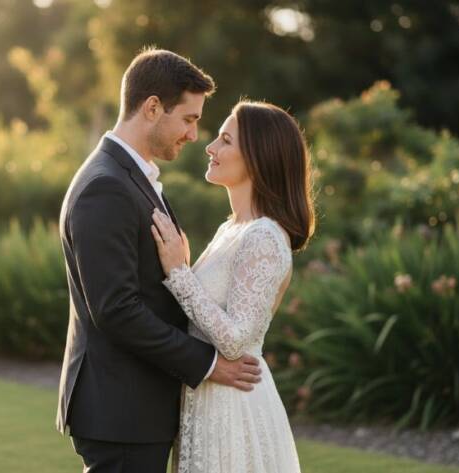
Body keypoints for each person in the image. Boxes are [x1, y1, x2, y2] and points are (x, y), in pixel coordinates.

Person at [56, 48, 263, 473]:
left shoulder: (133, 177)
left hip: (136, 407)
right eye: (188, 119)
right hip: (122, 411)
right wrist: (208, 365)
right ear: (152, 107)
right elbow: (116, 309)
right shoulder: (106, 187)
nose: (193, 135)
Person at [151, 100, 315, 473]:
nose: (210, 147)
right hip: (207, 398)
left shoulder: (264, 237)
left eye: (225, 140)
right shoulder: (231, 229)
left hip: (233, 406)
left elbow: (236, 341)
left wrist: (179, 273)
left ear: (258, 158)